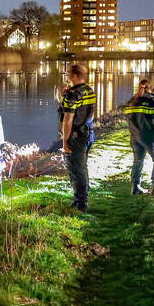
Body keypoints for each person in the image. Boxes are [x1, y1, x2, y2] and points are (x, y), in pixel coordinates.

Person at [124, 78, 154, 196]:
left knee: (138, 161)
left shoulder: (132, 101)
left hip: (135, 136)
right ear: (151, 88)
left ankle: (135, 187)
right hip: (150, 136)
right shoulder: (153, 100)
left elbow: (129, 118)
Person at [60, 64, 97, 211]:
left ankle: (81, 202)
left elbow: (68, 119)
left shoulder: (72, 94)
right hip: (89, 132)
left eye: (68, 74)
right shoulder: (89, 90)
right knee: (83, 167)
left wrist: (65, 142)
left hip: (76, 135)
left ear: (74, 76)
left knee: (75, 168)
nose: (67, 77)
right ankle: (82, 198)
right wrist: (65, 95)